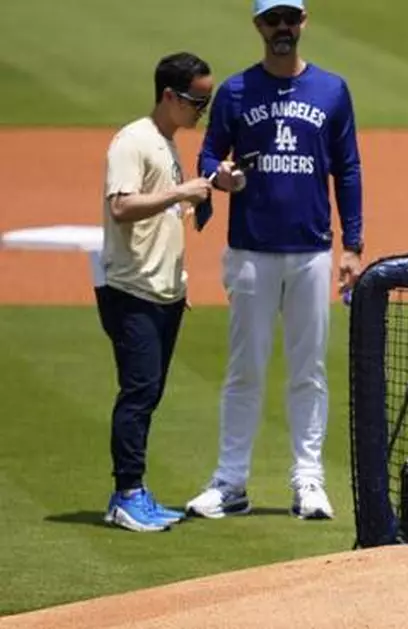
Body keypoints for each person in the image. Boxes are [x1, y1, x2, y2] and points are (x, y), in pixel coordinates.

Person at [187, 0, 364, 521]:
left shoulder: (332, 90)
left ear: (303, 21)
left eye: (289, 18)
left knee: (308, 371)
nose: (282, 27)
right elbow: (208, 154)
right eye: (272, 19)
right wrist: (219, 176)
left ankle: (308, 480)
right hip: (250, 250)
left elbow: (348, 169)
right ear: (258, 25)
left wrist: (353, 244)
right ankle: (230, 482)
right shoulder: (236, 91)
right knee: (245, 369)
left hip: (311, 249)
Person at [98, 52, 215, 532]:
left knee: (148, 393)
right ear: (169, 95)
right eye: (196, 101)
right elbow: (122, 206)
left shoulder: (166, 143)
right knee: (139, 392)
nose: (202, 111)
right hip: (133, 291)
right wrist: (182, 193)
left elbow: (162, 216)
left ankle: (135, 491)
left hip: (164, 292)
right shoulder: (134, 141)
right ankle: (126, 495)